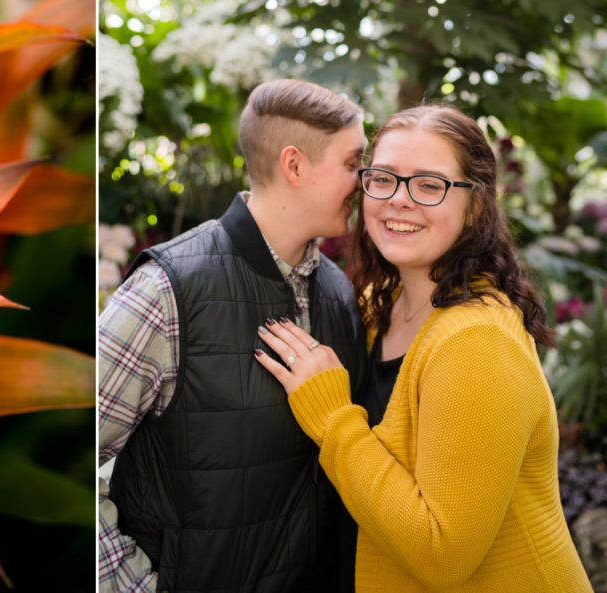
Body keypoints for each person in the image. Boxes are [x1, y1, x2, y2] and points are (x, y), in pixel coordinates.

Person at [254, 104, 593, 593]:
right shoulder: (379, 305)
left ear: (475, 205)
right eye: (385, 178)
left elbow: (441, 554)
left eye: (430, 185)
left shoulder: (478, 342)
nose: (400, 200)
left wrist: (333, 419)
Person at [99, 78, 368, 593]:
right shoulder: (168, 289)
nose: (365, 180)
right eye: (353, 164)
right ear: (294, 165)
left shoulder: (336, 292)